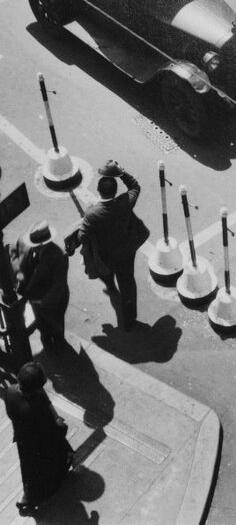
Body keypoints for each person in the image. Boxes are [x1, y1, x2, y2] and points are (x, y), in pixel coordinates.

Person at [72, 160, 149, 330]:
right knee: (127, 283)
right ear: (115, 191)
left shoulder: (92, 214)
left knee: (106, 271)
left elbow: (82, 236)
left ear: (98, 191)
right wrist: (121, 172)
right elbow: (135, 187)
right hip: (126, 252)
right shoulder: (125, 202)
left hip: (106, 254)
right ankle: (129, 320)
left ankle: (110, 286)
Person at [1, 362, 74, 514]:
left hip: (23, 439)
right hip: (41, 443)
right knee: (44, 469)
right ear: (36, 388)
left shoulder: (10, 391)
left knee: (28, 469)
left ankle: (27, 497)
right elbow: (54, 430)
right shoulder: (36, 409)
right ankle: (31, 498)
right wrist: (61, 425)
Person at [8, 220, 70, 350]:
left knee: (56, 325)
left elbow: (59, 285)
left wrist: (44, 303)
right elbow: (13, 252)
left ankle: (59, 343)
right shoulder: (23, 241)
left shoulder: (59, 256)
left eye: (38, 246)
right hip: (33, 296)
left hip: (52, 301)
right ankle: (46, 340)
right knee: (41, 324)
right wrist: (18, 271)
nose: (34, 247)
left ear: (46, 242)